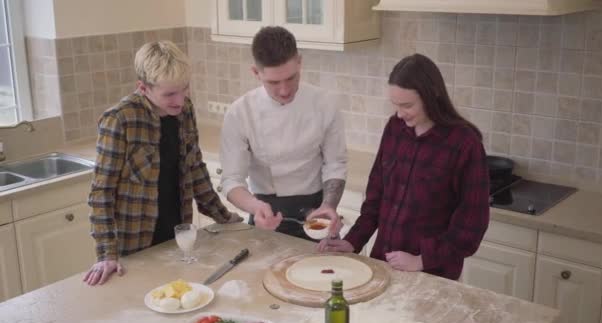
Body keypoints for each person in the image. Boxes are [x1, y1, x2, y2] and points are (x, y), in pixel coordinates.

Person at [318, 54, 490, 280]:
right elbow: (375, 199)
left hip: (433, 276)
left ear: (432, 95)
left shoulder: (465, 145)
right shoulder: (395, 128)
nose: (399, 113)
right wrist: (353, 241)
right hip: (383, 265)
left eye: (407, 105)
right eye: (395, 105)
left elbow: (471, 227)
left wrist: (421, 260)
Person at [84, 41, 241, 286]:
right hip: (135, 243)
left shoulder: (185, 110)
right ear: (143, 88)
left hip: (178, 235)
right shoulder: (120, 120)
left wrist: (223, 217)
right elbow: (101, 193)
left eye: (184, 89)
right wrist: (106, 255)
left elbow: (195, 169)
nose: (180, 100)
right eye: (169, 94)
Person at [220, 26, 347, 240]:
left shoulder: (325, 103)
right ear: (256, 73)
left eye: (291, 78)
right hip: (264, 216)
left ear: (299, 62)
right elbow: (231, 180)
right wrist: (255, 207)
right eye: (273, 82)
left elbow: (335, 164)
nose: (285, 90)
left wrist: (328, 205)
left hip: (317, 215)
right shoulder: (240, 113)